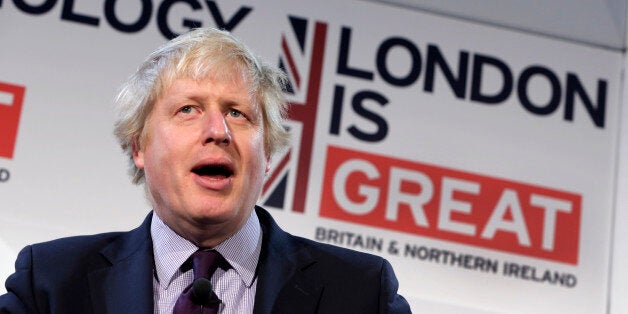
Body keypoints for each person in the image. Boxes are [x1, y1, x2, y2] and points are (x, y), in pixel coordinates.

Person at [0, 28, 411, 314]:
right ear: (139, 146)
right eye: (188, 110)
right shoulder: (51, 282)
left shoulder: (361, 292)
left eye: (238, 112)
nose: (219, 131)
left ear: (267, 154)